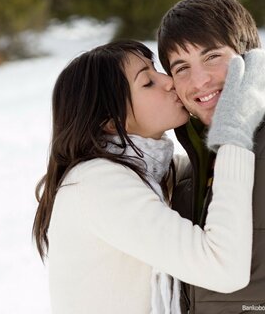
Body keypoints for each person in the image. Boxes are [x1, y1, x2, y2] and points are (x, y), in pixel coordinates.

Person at [33, 39, 265, 314]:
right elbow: (223, 268)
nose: (168, 81)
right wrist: (233, 134)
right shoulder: (98, 184)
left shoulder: (152, 173)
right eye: (147, 82)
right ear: (108, 120)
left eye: (156, 69)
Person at [157, 0, 265, 313]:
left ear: (248, 56)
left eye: (211, 57)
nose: (199, 81)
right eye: (181, 68)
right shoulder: (190, 172)